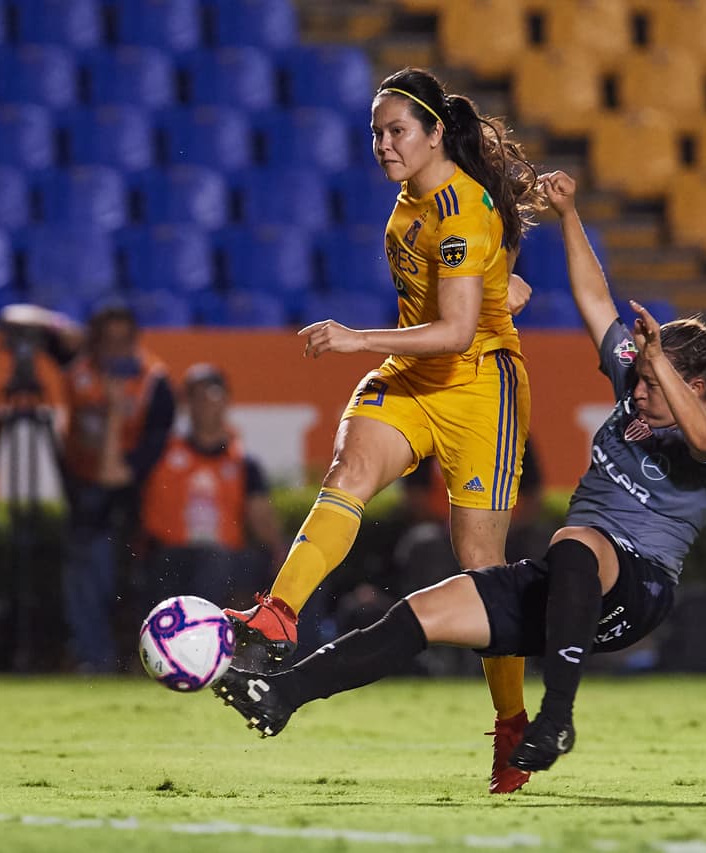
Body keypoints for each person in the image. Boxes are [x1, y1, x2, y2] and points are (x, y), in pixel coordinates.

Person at [213, 170, 706, 777]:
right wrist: (571, 214)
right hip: (567, 589)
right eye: (639, 380)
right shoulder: (639, 381)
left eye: (655, 385)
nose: (637, 394)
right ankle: (281, 694)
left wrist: (659, 365)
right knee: (423, 612)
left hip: (637, 590)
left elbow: (704, 436)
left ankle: (556, 718)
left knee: (576, 539)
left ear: (696, 388)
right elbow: (595, 300)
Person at [223, 67, 544, 793]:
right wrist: (506, 282)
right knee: (348, 473)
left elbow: (462, 328)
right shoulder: (413, 200)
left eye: (397, 129)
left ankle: (512, 723)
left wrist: (354, 340)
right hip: (414, 376)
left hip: (479, 392)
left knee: (483, 576)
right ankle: (279, 615)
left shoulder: (458, 207)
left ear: (435, 133)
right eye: (376, 131)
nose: (383, 143)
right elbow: (488, 269)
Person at [60, 305, 174, 672]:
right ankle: (93, 657)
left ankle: (135, 658)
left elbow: (114, 474)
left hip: (135, 499)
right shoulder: (77, 369)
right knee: (85, 570)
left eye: (123, 342)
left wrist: (112, 412)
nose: (115, 351)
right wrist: (66, 329)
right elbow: (30, 324)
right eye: (106, 342)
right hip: (83, 495)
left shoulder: (155, 384)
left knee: (121, 577)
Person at [139, 363, 287, 610]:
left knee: (301, 557)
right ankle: (203, 633)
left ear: (227, 400)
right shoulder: (161, 452)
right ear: (187, 404)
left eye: (213, 394)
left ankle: (296, 643)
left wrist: (282, 553)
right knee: (212, 559)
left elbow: (262, 521)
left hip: (229, 559)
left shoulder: (243, 463)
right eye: (197, 396)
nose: (207, 403)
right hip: (171, 558)